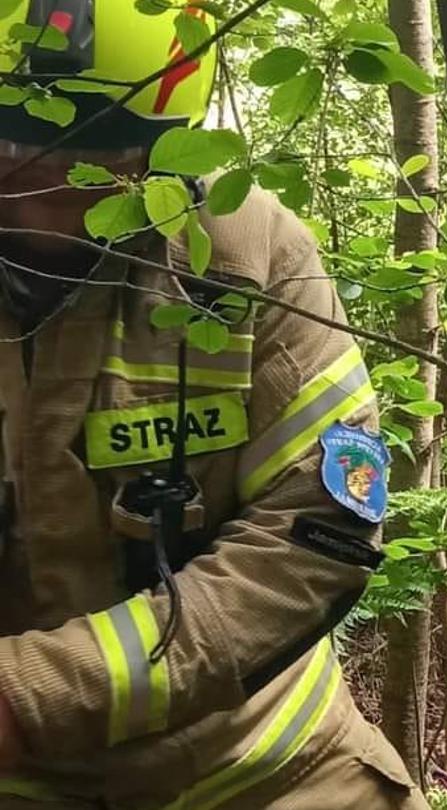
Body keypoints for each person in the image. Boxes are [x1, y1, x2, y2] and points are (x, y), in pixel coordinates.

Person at [0, 3, 423, 807]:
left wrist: (27, 696)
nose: (42, 196)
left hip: (264, 763)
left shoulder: (247, 253)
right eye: (14, 151)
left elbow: (318, 531)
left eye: (101, 159)